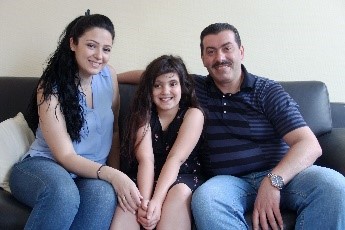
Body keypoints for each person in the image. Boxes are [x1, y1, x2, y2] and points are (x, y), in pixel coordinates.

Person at [118, 23, 345, 230]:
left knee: (334, 186)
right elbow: (154, 77)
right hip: (227, 182)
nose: (220, 57)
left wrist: (273, 181)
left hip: (282, 174)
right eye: (211, 51)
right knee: (207, 199)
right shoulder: (195, 87)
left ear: (241, 52)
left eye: (227, 48)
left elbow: (309, 145)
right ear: (204, 58)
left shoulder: (267, 91)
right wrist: (109, 76)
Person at [9, 12, 142, 229]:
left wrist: (113, 177)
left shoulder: (109, 78)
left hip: (89, 175)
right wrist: (113, 175)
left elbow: (115, 132)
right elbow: (65, 155)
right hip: (45, 166)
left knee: (104, 195)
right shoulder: (50, 88)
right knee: (63, 194)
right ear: (73, 43)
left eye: (106, 49)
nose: (99, 55)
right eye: (91, 45)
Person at [110, 55, 205, 230]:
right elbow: (146, 159)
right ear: (149, 89)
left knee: (178, 193)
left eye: (172, 84)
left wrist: (157, 201)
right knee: (132, 200)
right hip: (144, 177)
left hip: (181, 177)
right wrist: (146, 204)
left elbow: (175, 159)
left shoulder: (193, 115)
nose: (165, 91)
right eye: (157, 85)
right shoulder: (143, 114)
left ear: (183, 86)